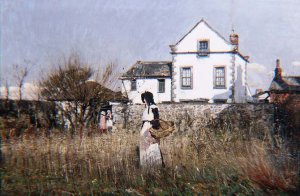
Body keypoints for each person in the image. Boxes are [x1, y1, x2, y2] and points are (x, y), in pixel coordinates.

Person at [139, 91, 164, 167]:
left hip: (150, 129)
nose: (144, 101)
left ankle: (154, 165)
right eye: (143, 99)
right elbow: (143, 122)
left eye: (144, 99)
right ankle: (145, 165)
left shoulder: (154, 107)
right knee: (144, 147)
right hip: (144, 130)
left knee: (152, 146)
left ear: (147, 99)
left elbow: (156, 120)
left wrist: (153, 130)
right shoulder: (145, 109)